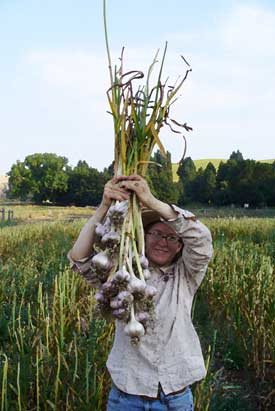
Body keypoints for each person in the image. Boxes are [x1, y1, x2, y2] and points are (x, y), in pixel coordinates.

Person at [68, 174, 213, 411]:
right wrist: (104, 207)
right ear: (142, 235)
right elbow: (80, 257)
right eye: (156, 233)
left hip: (174, 398)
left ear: (180, 246)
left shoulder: (187, 275)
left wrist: (152, 202)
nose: (163, 242)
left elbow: (202, 240)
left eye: (172, 238)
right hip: (126, 398)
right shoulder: (120, 273)